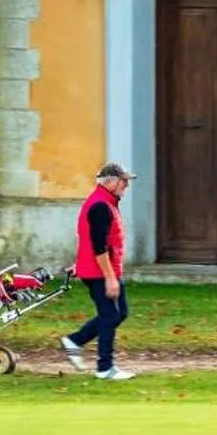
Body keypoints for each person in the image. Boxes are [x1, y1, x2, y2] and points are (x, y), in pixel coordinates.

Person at [61, 162, 136, 381]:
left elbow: (89, 239)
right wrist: (110, 277)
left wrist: (81, 264)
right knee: (110, 315)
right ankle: (105, 367)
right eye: (124, 181)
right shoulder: (101, 206)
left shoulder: (105, 203)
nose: (126, 186)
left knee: (119, 313)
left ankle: (75, 340)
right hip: (100, 271)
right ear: (111, 182)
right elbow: (99, 245)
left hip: (98, 268)